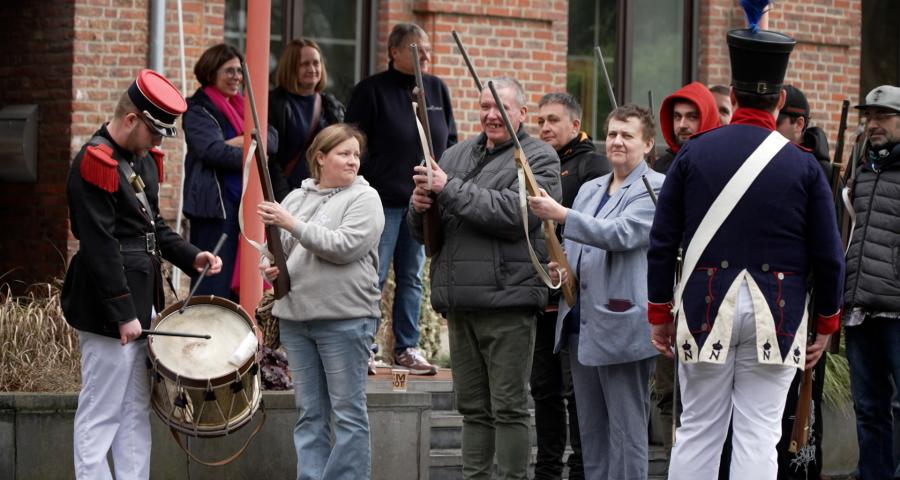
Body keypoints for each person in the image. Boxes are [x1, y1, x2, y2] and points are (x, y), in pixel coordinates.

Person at [647, 27, 845, 480]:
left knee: (698, 430)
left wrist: (659, 311)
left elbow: (662, 243)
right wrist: (826, 323)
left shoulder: (693, 154)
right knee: (758, 434)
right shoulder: (804, 165)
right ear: (779, 103)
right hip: (778, 313)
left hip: (704, 305)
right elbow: (829, 255)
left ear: (732, 96)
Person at [62, 69, 224, 479]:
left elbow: (155, 230)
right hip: (108, 309)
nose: (158, 143)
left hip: (143, 303)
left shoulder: (140, 161)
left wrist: (193, 256)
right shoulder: (94, 163)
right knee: (101, 413)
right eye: (155, 132)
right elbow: (99, 247)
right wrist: (121, 313)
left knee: (135, 409)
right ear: (131, 119)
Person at [408, 77, 560, 479]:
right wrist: (419, 205)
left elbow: (517, 215)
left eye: (502, 108)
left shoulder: (540, 157)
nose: (491, 116)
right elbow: (425, 230)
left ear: (522, 114)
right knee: (472, 409)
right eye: (484, 108)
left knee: (509, 407)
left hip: (508, 301)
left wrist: (447, 187)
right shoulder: (455, 154)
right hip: (460, 302)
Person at [529, 103, 663, 479]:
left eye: (628, 135)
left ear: (648, 143)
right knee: (590, 432)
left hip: (622, 324)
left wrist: (561, 215)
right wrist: (563, 264)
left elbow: (621, 234)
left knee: (626, 431)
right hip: (579, 324)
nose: (617, 141)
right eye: (613, 133)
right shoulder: (590, 189)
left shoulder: (656, 189)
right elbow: (580, 245)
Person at [257, 123, 384, 480]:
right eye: (344, 153)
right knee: (310, 413)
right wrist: (267, 267)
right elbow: (273, 249)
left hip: (345, 318)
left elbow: (345, 247)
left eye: (356, 154)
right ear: (320, 157)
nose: (353, 161)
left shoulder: (365, 198)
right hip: (296, 319)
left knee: (347, 414)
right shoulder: (296, 199)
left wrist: (292, 224)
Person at [346, 22, 457, 375]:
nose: (425, 56)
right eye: (416, 50)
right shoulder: (371, 91)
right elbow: (355, 145)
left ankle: (407, 347)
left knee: (412, 277)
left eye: (427, 50)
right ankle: (364, 345)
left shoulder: (436, 89)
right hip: (383, 201)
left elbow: (450, 140)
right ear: (394, 52)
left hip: (424, 201)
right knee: (373, 276)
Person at [529, 92, 609, 480]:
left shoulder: (594, 166)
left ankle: (580, 469)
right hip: (540, 295)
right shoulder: (532, 159)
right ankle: (546, 470)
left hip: (577, 301)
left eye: (554, 120)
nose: (545, 127)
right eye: (541, 120)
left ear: (575, 126)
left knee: (578, 391)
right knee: (543, 388)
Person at [182, 44, 276, 301]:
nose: (236, 76)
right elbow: (212, 152)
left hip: (245, 207)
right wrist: (251, 144)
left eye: (239, 71)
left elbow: (272, 140)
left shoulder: (246, 105)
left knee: (245, 283)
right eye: (229, 71)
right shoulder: (198, 109)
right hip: (214, 209)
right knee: (213, 284)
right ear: (211, 72)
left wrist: (235, 142)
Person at [843, 84, 900, 480]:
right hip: (860, 309)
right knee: (868, 408)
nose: (873, 123)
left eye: (883, 116)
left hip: (898, 310)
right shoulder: (859, 167)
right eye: (870, 116)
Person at [269, 38, 345, 202]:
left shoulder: (330, 105)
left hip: (326, 196)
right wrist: (285, 199)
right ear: (291, 68)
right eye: (304, 64)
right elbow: (272, 160)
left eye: (316, 63)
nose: (312, 69)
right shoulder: (274, 103)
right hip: (289, 196)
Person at [652, 81, 720, 174]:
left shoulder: (723, 164)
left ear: (708, 119)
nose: (682, 125)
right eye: (677, 116)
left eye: (692, 117)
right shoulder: (660, 167)